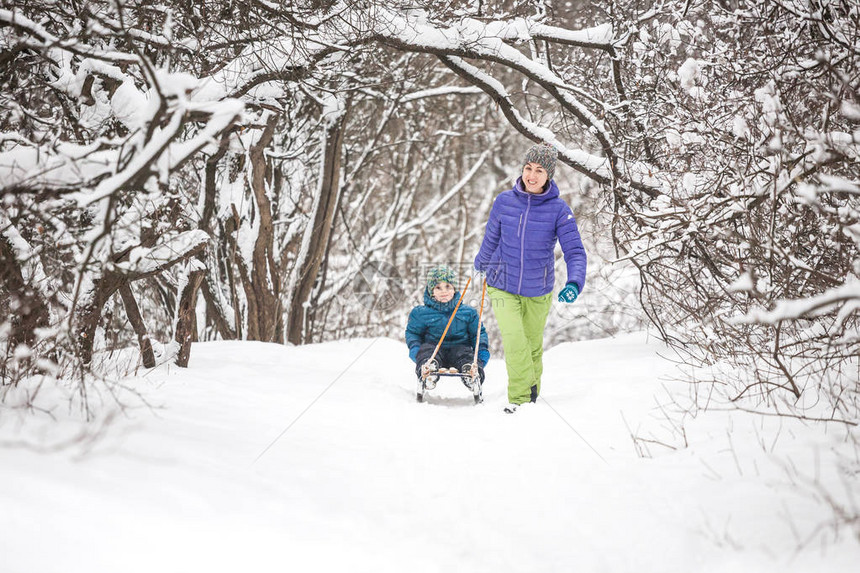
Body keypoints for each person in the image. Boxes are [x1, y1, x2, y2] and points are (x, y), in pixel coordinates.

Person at [474, 142, 586, 413]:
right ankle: (521, 398)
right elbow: (491, 238)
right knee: (514, 340)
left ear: (549, 175)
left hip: (538, 288)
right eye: (527, 168)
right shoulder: (503, 202)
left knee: (532, 345)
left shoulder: (559, 210)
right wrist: (480, 263)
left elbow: (575, 251)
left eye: (539, 170)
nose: (531, 175)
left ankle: (533, 390)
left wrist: (574, 282)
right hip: (502, 284)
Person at [405, 266, 490, 389]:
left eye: (448, 287)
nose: (443, 291)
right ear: (431, 291)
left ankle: (470, 372)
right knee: (427, 350)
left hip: (460, 348)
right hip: (434, 349)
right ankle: (429, 371)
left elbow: (477, 334)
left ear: (454, 289)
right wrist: (415, 349)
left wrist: (481, 352)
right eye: (438, 287)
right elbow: (413, 333)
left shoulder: (467, 312)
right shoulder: (421, 313)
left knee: (465, 354)